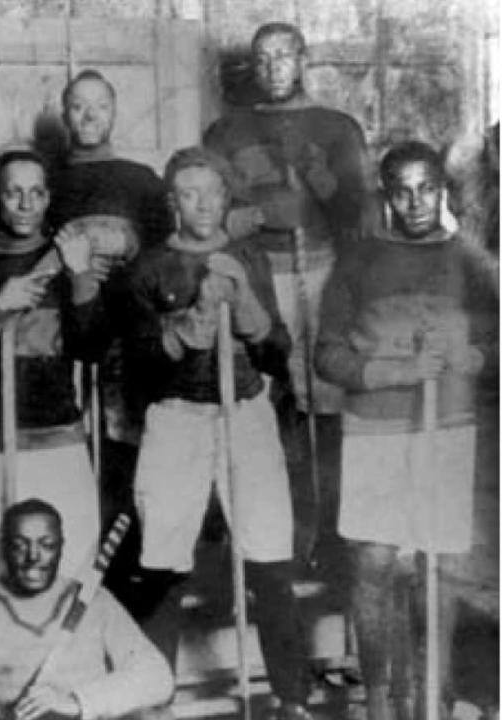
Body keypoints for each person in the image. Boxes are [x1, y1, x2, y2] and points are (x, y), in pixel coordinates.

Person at [125, 147, 312, 720]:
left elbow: (278, 354)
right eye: (188, 192)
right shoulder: (150, 267)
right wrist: (196, 318)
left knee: (271, 558)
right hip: (177, 417)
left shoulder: (249, 257)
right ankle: (154, 693)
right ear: (171, 202)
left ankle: (292, 698)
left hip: (245, 412)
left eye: (212, 192)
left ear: (228, 199)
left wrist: (247, 303)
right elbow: (143, 370)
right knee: (161, 562)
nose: (202, 204)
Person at [314, 141, 498, 720]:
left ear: (442, 190)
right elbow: (326, 356)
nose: (415, 201)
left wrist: (473, 358)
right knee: (372, 563)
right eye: (402, 190)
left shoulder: (470, 261)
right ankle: (377, 699)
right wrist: (391, 371)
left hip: (447, 429)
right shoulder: (358, 261)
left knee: (439, 566)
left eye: (427, 188)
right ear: (386, 195)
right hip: (375, 434)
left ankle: (434, 697)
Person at [204, 21, 372, 564]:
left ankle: (331, 532)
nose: (274, 67)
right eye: (263, 58)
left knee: (325, 402)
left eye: (284, 56)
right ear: (252, 66)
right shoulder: (225, 132)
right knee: (263, 406)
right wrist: (256, 214)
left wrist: (321, 184)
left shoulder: (337, 127)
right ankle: (270, 540)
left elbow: (361, 213)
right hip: (256, 276)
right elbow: (207, 214)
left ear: (303, 60)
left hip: (320, 275)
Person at [0, 150, 108, 586]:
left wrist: (82, 276)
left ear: (49, 198)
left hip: (60, 438)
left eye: (36, 193)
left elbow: (92, 350)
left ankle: (67, 657)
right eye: (14, 192)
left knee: (73, 571)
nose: (26, 203)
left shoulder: (67, 263)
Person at [46, 69, 171, 607]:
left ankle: (131, 572)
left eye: (99, 106)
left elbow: (165, 256)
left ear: (115, 112)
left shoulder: (142, 179)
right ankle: (81, 576)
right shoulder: (47, 181)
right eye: (77, 106)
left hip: (128, 338)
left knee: (128, 452)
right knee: (77, 456)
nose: (89, 116)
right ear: (65, 113)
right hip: (68, 333)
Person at [0, 498, 175, 720]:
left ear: (61, 547)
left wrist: (77, 701)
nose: (33, 557)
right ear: (3, 548)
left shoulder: (95, 600)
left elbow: (157, 676)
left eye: (46, 545)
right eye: (20, 545)